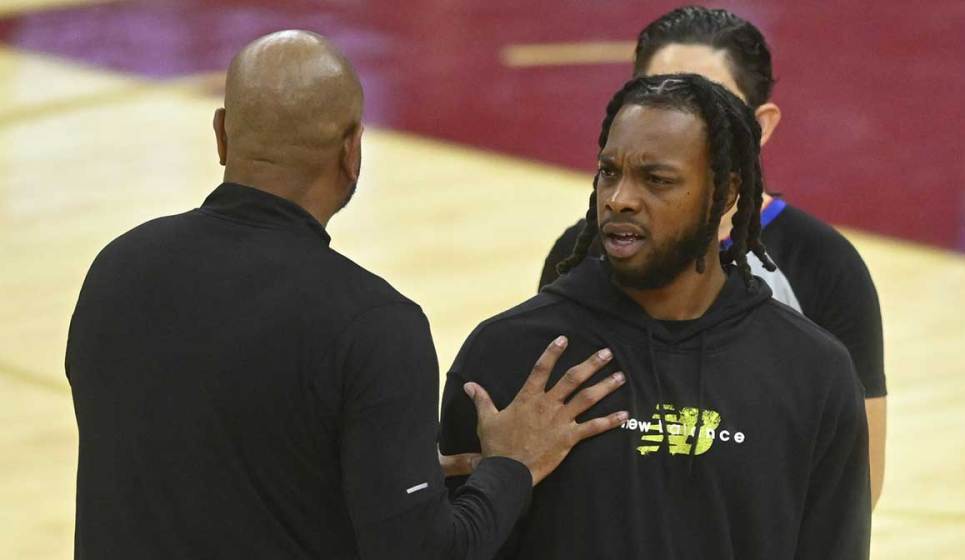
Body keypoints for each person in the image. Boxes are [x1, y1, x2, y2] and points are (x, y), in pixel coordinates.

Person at [65, 30, 629, 560]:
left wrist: (369, 473)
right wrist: (511, 467)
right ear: (352, 150)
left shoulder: (116, 267)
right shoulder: (374, 325)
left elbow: (208, 465)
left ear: (220, 133)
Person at [440, 74, 871, 558]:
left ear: (726, 194)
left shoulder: (812, 373)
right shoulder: (511, 354)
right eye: (609, 171)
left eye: (656, 179)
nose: (619, 198)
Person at [537, 6, 887, 505]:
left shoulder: (825, 266)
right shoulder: (583, 251)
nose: (673, 122)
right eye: (658, 96)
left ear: (760, 126)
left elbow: (856, 485)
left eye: (706, 102)